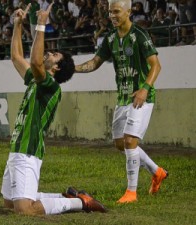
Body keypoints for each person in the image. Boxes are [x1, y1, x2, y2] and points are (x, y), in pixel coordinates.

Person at [1, 4, 107, 215]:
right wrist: (17, 25)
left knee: (24, 210)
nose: (50, 53)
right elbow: (16, 58)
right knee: (9, 203)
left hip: (28, 149)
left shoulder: (50, 86)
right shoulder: (36, 80)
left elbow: (35, 62)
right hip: (18, 147)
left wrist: (41, 24)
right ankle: (66, 197)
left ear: (56, 68)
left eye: (55, 54)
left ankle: (80, 203)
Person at [75, 0, 168, 203]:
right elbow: (94, 63)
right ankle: (157, 171)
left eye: (116, 11)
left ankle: (131, 193)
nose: (112, 16)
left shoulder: (139, 35)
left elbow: (156, 65)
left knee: (129, 141)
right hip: (123, 96)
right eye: (110, 12)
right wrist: (73, 68)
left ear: (128, 12)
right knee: (121, 144)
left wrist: (145, 88)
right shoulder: (110, 39)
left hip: (141, 96)